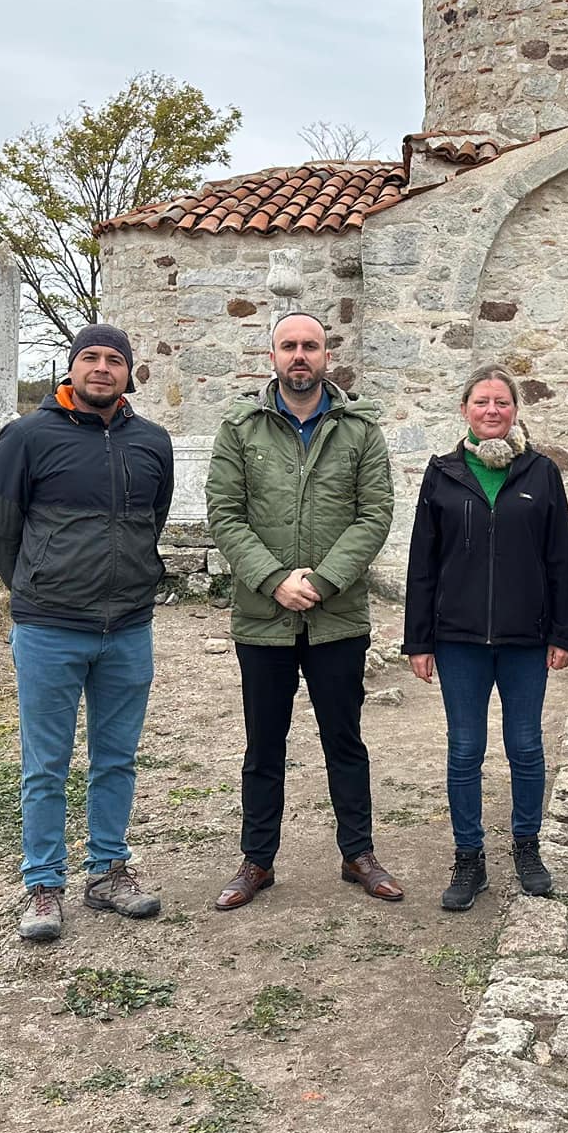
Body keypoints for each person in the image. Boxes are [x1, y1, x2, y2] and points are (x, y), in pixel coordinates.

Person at [0, 324, 173, 943]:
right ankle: (43, 884)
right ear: (71, 368)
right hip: (49, 629)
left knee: (116, 759)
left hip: (127, 629)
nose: (101, 368)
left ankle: (109, 871)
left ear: (129, 373)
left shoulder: (152, 442)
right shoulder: (29, 437)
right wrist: (37, 586)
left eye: (114, 359)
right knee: (47, 763)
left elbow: (153, 520)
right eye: (90, 357)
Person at [204, 311, 402, 909]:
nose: (299, 356)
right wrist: (272, 580)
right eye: (288, 346)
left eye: (310, 346)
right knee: (264, 743)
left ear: (326, 354)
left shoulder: (360, 427)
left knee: (345, 739)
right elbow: (224, 513)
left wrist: (321, 580)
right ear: (272, 356)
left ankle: (358, 853)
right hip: (263, 618)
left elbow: (375, 513)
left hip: (336, 616)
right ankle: (257, 861)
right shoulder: (240, 427)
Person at [403, 365, 568, 911]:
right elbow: (422, 564)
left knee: (526, 748)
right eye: (482, 402)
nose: (492, 412)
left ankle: (527, 848)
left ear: (515, 411)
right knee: (465, 750)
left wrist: (563, 632)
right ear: (465, 411)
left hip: (525, 640)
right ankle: (469, 859)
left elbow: (560, 558)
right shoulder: (443, 474)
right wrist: (419, 641)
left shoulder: (540, 473)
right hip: (458, 641)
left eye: (502, 403)